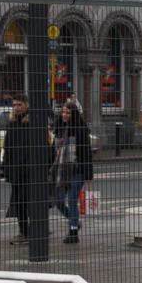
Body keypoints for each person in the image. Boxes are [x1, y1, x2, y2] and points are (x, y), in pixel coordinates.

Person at [2, 98, 51, 254]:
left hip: (32, 171)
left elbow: (46, 147)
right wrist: (7, 168)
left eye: (19, 104)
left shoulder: (33, 123)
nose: (16, 107)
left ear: (27, 105)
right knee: (19, 203)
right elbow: (7, 147)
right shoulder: (12, 124)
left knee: (32, 202)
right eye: (14, 105)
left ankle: (35, 230)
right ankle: (24, 231)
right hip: (17, 171)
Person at [51, 100, 93, 244]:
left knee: (72, 199)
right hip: (62, 171)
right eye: (63, 112)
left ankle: (73, 231)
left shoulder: (80, 130)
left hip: (77, 170)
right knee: (58, 202)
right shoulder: (58, 129)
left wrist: (88, 175)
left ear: (74, 114)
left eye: (68, 112)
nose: (65, 115)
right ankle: (74, 220)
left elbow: (87, 153)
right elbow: (54, 152)